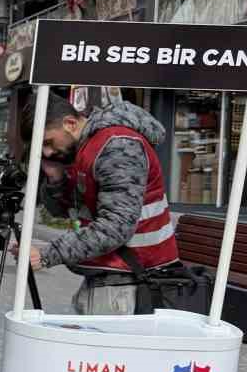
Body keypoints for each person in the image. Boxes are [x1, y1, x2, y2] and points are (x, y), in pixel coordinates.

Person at [18, 90, 178, 314]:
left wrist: (48, 255)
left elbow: (116, 227)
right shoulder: (87, 147)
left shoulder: (116, 146)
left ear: (70, 123)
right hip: (113, 278)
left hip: (131, 281)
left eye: (48, 142)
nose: (47, 152)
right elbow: (66, 211)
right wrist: (56, 179)